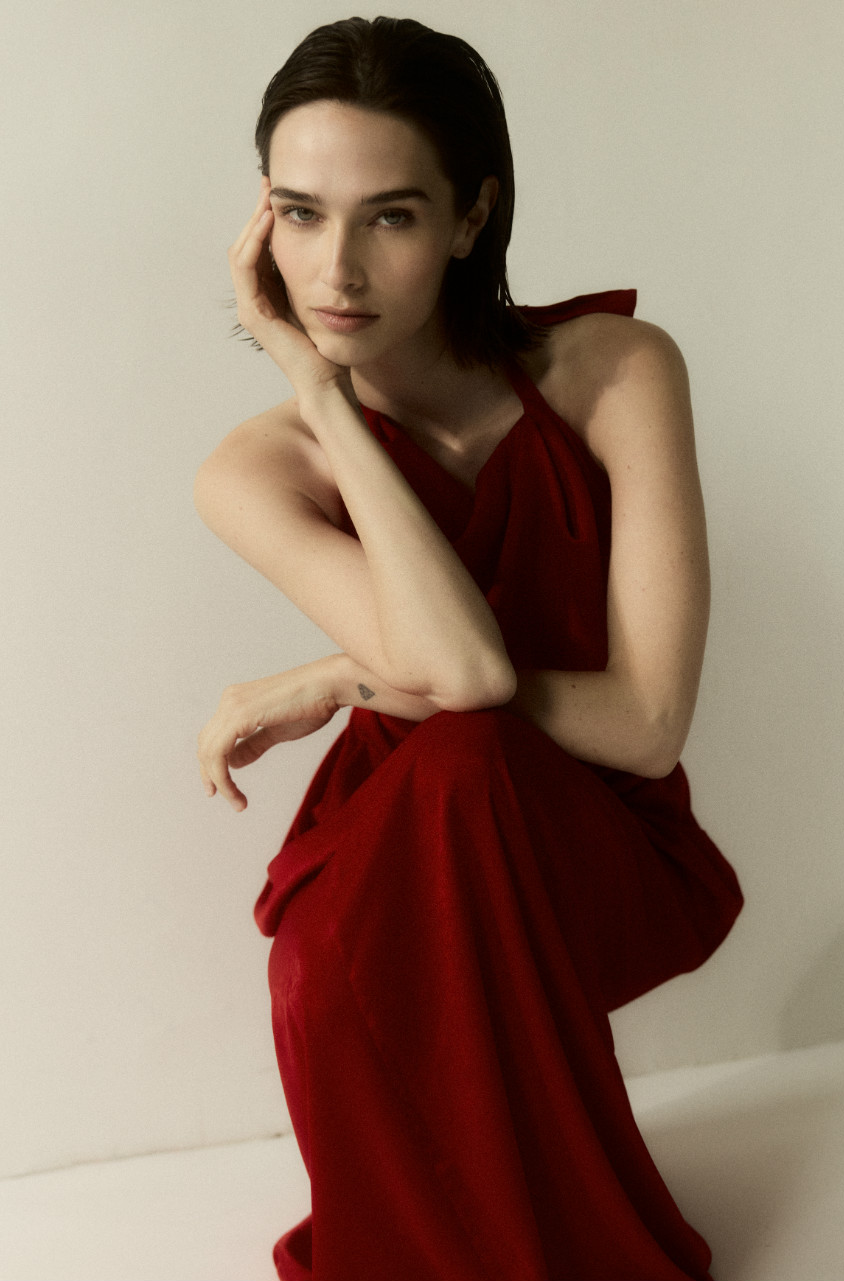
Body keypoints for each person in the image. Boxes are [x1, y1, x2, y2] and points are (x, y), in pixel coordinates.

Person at [195, 16, 743, 1281]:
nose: (335, 269)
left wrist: (334, 677)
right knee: (413, 828)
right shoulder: (255, 469)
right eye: (299, 213)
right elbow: (462, 674)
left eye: (389, 216)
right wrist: (322, 396)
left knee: (468, 762)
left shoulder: (614, 372)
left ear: (470, 216)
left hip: (595, 846)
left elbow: (645, 725)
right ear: (262, 223)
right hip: (391, 845)